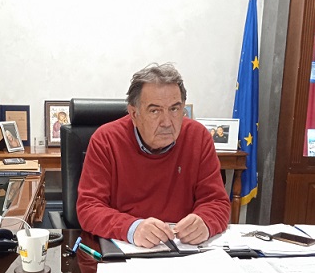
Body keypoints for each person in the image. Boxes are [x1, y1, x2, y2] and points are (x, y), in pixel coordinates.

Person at [76, 63, 230, 247]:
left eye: (174, 109)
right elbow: (89, 208)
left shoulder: (198, 137)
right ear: (134, 114)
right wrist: (132, 228)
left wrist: (205, 222)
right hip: (126, 248)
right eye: (155, 111)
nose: (167, 122)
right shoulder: (106, 140)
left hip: (182, 248)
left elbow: (217, 202)